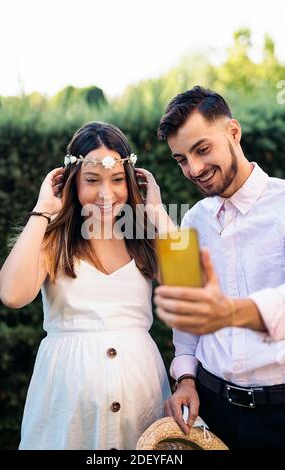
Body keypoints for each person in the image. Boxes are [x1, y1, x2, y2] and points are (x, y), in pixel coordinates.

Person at [0, 121, 172, 450]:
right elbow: (12, 294)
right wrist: (43, 210)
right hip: (66, 400)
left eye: (118, 180)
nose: (106, 194)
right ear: (73, 182)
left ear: (131, 181)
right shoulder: (52, 239)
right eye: (92, 181)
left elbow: (190, 283)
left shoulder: (144, 234)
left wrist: (158, 213)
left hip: (141, 392)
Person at [154, 86, 285, 449]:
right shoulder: (192, 220)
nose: (193, 169)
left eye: (202, 149)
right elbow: (187, 318)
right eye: (181, 159)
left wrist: (229, 312)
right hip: (212, 412)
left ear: (233, 131)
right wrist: (186, 379)